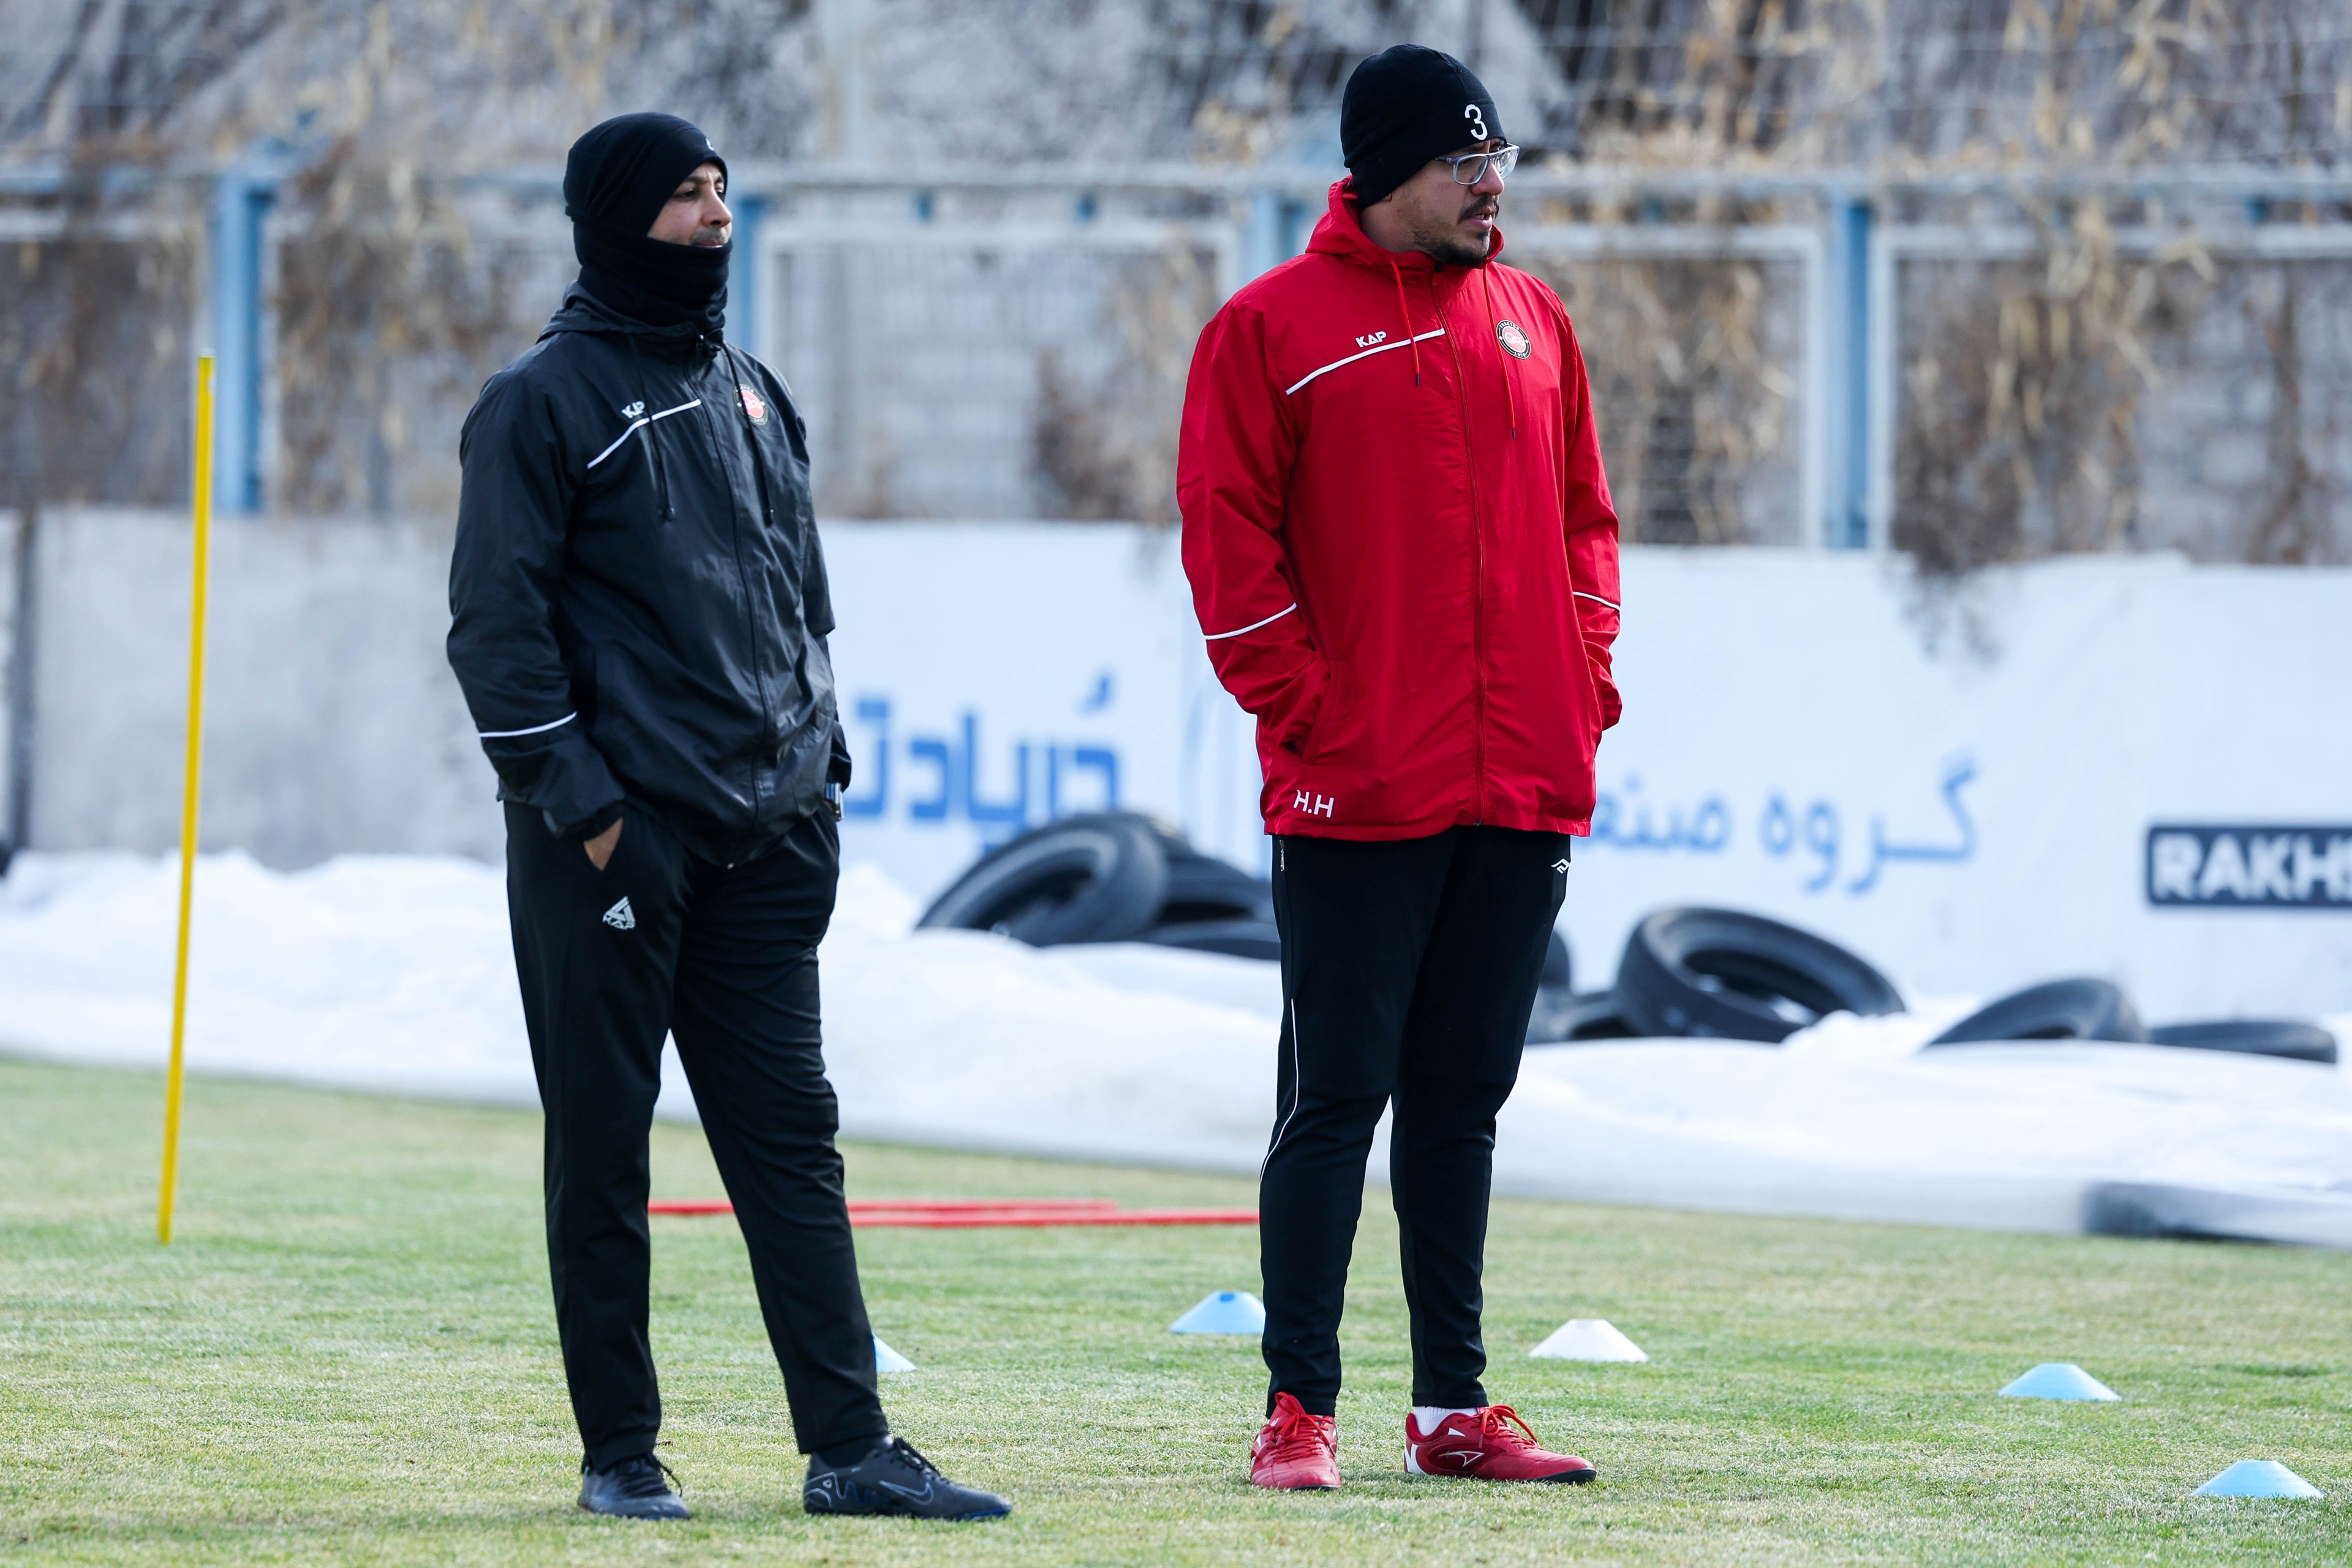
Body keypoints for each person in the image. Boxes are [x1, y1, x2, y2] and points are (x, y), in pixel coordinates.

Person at [447, 112, 1008, 1524]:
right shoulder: (540, 402)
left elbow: (800, 603)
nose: (715, 217)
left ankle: (852, 1448)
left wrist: (822, 767)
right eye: (686, 196)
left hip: (769, 838)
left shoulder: (754, 390)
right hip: (616, 845)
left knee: (792, 1140)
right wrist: (594, 817)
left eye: (720, 190)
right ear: (614, 220)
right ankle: (622, 1453)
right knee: (603, 1145)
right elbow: (496, 636)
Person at [1176, 47, 1622, 1490]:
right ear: (1382, 175)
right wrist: (1309, 710)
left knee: (1462, 1099)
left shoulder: (1534, 318)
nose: (1492, 186)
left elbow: (1586, 520)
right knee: (1336, 1096)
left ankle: (1452, 1411)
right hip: (1356, 784)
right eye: (1463, 164)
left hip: (1521, 775)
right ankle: (1298, 1406)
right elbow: (1227, 537)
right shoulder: (1268, 328)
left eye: (1500, 161)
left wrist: (1586, 677)